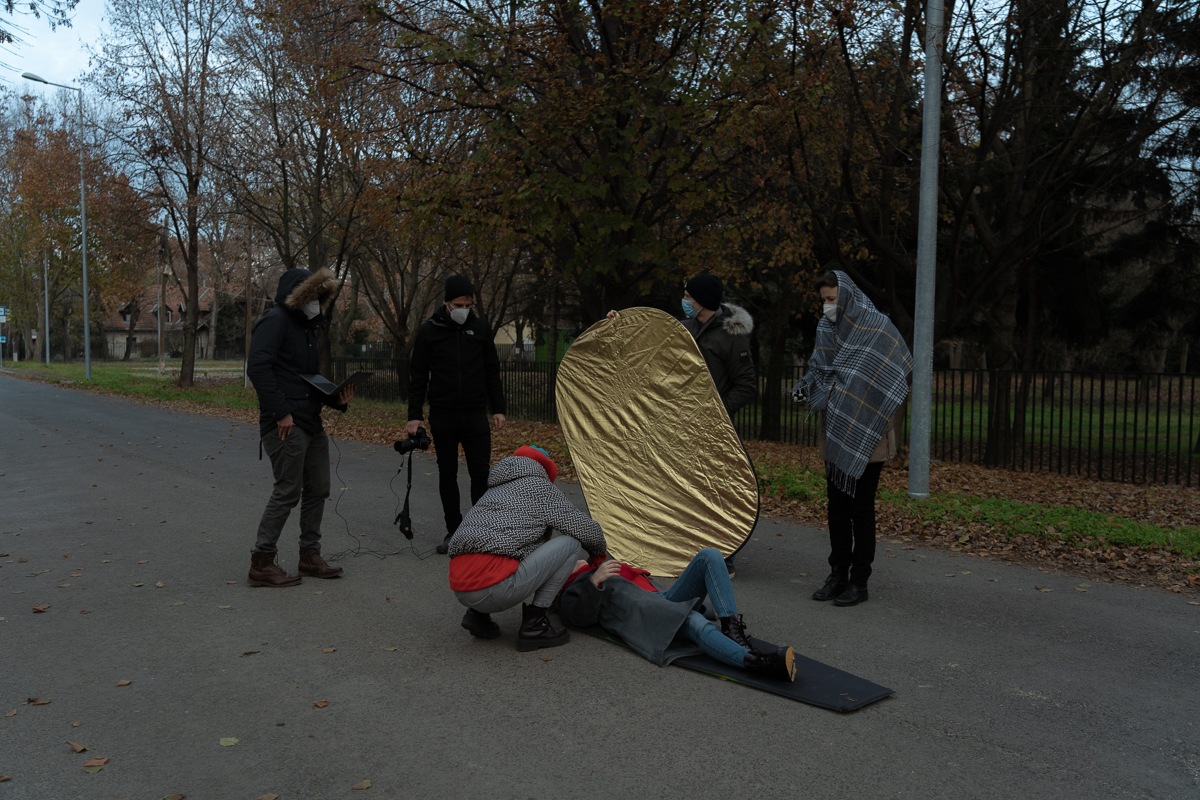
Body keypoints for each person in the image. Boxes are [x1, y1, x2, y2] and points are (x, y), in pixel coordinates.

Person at [606, 273, 756, 577]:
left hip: (713, 428)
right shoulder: (684, 328)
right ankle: (687, 550)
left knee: (716, 491)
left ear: (702, 300)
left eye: (688, 296)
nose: (684, 300)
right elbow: (644, 346)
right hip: (679, 427)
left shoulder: (731, 335)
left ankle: (724, 556)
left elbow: (746, 385)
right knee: (684, 490)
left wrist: (715, 414)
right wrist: (617, 324)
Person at [792, 270, 912, 607]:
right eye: (823, 300)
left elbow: (894, 375)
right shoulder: (825, 328)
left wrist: (854, 396)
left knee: (860, 508)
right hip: (836, 428)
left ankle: (859, 581)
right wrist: (808, 388)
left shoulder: (877, 328)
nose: (827, 306)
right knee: (836, 507)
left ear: (846, 296)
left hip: (869, 431)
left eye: (832, 299)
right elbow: (820, 370)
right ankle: (837, 574)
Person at [246, 267, 354, 588]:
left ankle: (309, 555)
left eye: (321, 297)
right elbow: (258, 367)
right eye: (312, 296)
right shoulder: (275, 321)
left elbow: (307, 381)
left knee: (319, 488)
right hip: (284, 424)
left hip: (310, 422)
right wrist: (280, 412)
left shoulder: (308, 330)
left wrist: (338, 399)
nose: (316, 303)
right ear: (299, 296)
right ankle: (261, 561)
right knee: (287, 491)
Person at [449, 445, 608, 652]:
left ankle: (477, 615)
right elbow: (586, 529)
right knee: (570, 543)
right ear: (543, 469)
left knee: (512, 542)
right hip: (492, 589)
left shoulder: (494, 490)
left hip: (460, 588)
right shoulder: (538, 487)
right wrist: (597, 557)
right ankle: (535, 626)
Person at [558, 547, 796, 681]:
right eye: (571, 561)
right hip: (643, 615)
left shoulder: (596, 565)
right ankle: (756, 663)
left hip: (660, 600)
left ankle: (731, 629)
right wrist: (595, 581)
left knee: (709, 556)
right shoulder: (574, 587)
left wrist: (708, 606)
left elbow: (646, 585)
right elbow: (580, 619)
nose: (577, 558)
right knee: (693, 621)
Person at [407, 275, 507, 554]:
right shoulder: (430, 330)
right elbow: (418, 375)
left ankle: (482, 531)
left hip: (475, 414)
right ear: (447, 303)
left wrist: (497, 408)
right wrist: (414, 414)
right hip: (444, 414)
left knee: (480, 474)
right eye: (458, 304)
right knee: (447, 473)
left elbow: (491, 370)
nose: (464, 309)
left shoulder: (480, 328)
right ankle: (456, 530)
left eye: (468, 304)